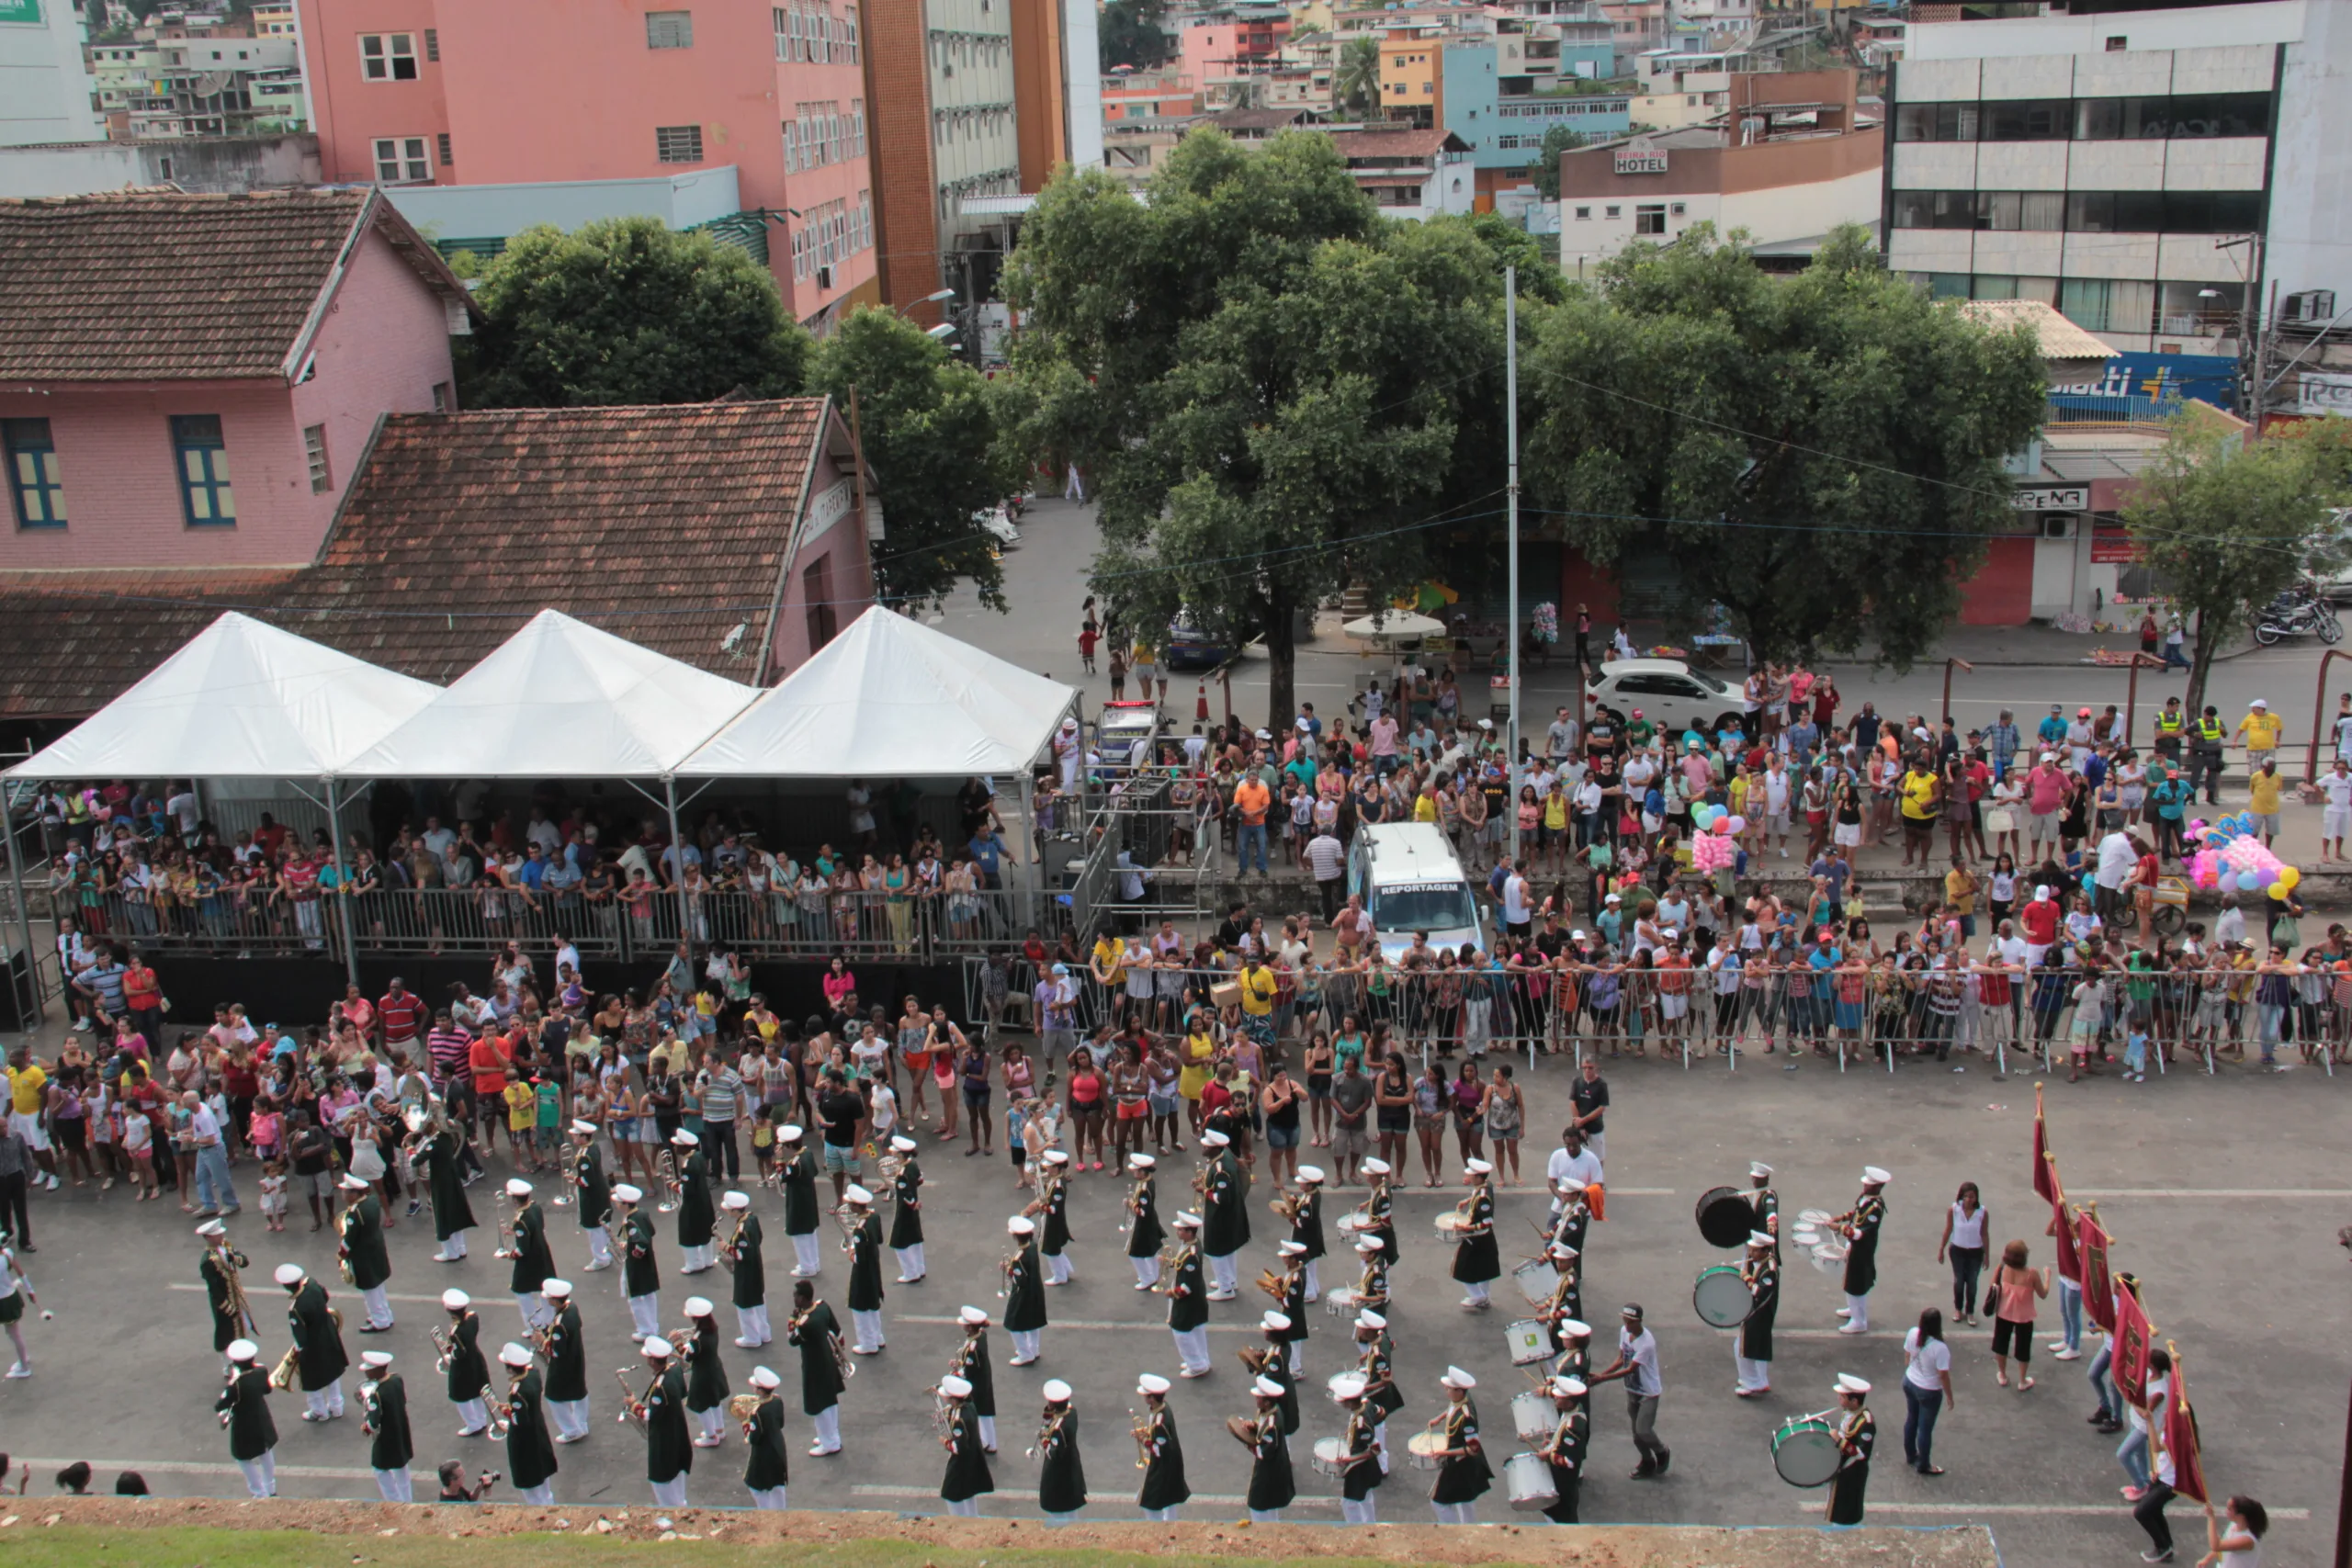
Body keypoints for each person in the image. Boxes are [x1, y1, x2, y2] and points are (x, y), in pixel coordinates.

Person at [1590, 1302, 1668, 1478]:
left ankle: (1662, 1451)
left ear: (1639, 1321)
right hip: (1632, 1389)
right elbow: (1621, 1359)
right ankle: (1647, 1461)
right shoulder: (1624, 1332)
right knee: (1636, 1436)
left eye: (1630, 1322)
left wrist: (1601, 1379)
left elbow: (1629, 1369)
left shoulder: (1646, 1343)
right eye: (1625, 1321)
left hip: (1648, 1392)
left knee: (1644, 1430)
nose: (1627, 1326)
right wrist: (1601, 1374)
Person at [277, 1261, 348, 1422]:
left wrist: (296, 1352)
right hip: (329, 1335)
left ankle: (319, 1411)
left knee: (311, 1381)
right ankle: (337, 1407)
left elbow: (301, 1339)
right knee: (333, 1372)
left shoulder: (295, 1309)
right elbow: (326, 1297)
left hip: (313, 1347)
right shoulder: (313, 1284)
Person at [631, 1334, 693, 1506]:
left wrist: (635, 1406)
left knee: (661, 1481)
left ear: (652, 1360)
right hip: (678, 1430)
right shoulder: (674, 1370)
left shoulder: (660, 1388)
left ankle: (670, 1514)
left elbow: (651, 1415)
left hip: (664, 1437)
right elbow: (682, 1393)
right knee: (678, 1475)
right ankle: (681, 1505)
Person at [786, 1279, 845, 1456]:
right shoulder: (822, 1307)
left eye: (796, 1295)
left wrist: (793, 1319)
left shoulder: (805, 1325)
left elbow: (792, 1339)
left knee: (820, 1406)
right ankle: (830, 1436)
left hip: (815, 1366)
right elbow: (837, 1332)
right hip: (828, 1360)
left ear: (803, 1298)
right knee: (830, 1402)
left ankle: (830, 1443)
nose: (793, 1298)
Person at [497, 1338, 559, 1504]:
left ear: (510, 1368)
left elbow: (519, 1422)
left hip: (525, 1441)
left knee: (530, 1485)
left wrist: (507, 1412)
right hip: (538, 1428)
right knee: (544, 1482)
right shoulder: (533, 1373)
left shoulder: (517, 1392)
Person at [214, 1337, 277, 1497]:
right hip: (262, 1419)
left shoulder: (235, 1384)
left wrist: (233, 1381)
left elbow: (220, 1405)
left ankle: (259, 1492)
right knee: (266, 1453)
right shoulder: (261, 1371)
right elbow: (267, 1389)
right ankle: (270, 1488)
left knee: (242, 1458)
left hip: (244, 1425)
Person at [1986, 1238, 2051, 1390]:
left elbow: (1993, 1286)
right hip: (2024, 1316)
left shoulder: (2002, 1269)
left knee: (2001, 1344)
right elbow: (2043, 1294)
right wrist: (2048, 1277)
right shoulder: (2031, 1274)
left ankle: (2002, 1374)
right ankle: (2022, 1380)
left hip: (2003, 1312)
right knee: (2023, 1348)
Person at [1900, 1309, 1955, 1475]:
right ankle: (1923, 1464)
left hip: (1910, 1381)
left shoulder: (1912, 1333)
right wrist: (1950, 1397)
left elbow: (1907, 1356)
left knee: (1912, 1418)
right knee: (1925, 1428)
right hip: (1929, 1390)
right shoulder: (1940, 1348)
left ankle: (1911, 1455)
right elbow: (1943, 1375)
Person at [538, 1278, 591, 1444]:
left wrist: (542, 1341)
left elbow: (557, 1351)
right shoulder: (572, 1307)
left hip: (564, 1364)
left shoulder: (560, 1324)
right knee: (579, 1391)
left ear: (554, 1299)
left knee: (554, 1396)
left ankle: (571, 1430)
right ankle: (581, 1424)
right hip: (577, 1356)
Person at [1837, 1167, 1888, 1333]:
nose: (1864, 1187)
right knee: (1849, 1280)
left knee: (1856, 1284)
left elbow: (1861, 1233)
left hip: (1862, 1249)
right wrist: (1842, 1217)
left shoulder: (1875, 1208)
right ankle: (1853, 1309)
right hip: (1854, 1246)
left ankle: (1859, 1321)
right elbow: (1857, 1213)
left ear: (1877, 1187)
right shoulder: (1865, 1199)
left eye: (1868, 1185)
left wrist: (1839, 1228)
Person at [358, 1349, 413, 1501]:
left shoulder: (376, 1394)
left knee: (380, 1470)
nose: (366, 1374)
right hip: (401, 1430)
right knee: (402, 1468)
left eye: (368, 1370)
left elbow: (374, 1422)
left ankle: (393, 1501)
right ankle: (407, 1500)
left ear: (376, 1370)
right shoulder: (396, 1379)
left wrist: (366, 1426)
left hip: (386, 1437)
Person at [1238, 1375, 1294, 1522]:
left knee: (1258, 1505)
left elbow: (1264, 1452)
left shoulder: (1271, 1425)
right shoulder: (1270, 1412)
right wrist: (1254, 1426)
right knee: (1270, 1506)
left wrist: (1245, 1441)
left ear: (1267, 1403)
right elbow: (1261, 1427)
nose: (1256, 1400)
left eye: (1259, 1398)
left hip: (1270, 1471)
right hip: (1276, 1468)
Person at [1136, 1372, 1190, 1521]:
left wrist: (1143, 1439)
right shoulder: (1163, 1408)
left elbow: (1157, 1450)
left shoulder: (1160, 1423)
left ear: (1152, 1398)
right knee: (1169, 1497)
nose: (1144, 1398)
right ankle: (1171, 1523)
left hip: (1163, 1465)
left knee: (1150, 1501)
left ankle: (1157, 1527)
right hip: (1171, 1462)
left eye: (1146, 1396)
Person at [1451, 1159, 1501, 1311]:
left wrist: (1466, 1228)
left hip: (1478, 1239)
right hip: (1484, 1240)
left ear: (1479, 1177)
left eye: (1472, 1175)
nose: (1469, 1177)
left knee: (1461, 1268)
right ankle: (1484, 1297)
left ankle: (1478, 1296)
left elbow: (1487, 1223)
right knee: (1483, 1270)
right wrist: (1467, 1201)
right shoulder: (1485, 1186)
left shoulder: (1483, 1198)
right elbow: (1476, 1195)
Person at [1164, 1210, 1211, 1378]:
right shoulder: (1191, 1245)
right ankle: (1201, 1359)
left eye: (1181, 1230)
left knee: (1181, 1331)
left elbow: (1187, 1286)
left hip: (1189, 1299)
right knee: (1197, 1329)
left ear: (1190, 1232)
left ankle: (1197, 1365)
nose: (1178, 1232)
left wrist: (1172, 1293)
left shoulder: (1191, 1255)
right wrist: (1169, 1262)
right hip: (1196, 1297)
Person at [937, 1373, 991, 1516]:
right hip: (973, 1458)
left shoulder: (958, 1421)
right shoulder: (969, 1406)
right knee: (969, 1493)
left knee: (951, 1495)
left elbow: (957, 1447)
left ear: (954, 1399)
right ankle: (973, 1519)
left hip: (961, 1463)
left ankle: (959, 1523)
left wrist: (944, 1441)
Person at [441, 1288, 492, 1436]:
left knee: (460, 1395)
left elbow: (459, 1353)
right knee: (477, 1390)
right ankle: (481, 1420)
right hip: (475, 1358)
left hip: (462, 1366)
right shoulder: (473, 1317)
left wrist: (449, 1355)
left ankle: (473, 1424)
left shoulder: (456, 1331)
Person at [1825, 1374, 1875, 1525]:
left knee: (1846, 1507)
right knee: (1836, 1502)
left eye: (1842, 1397)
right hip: (1841, 1465)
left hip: (1852, 1470)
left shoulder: (1866, 1423)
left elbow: (1861, 1454)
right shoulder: (1848, 1413)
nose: (1839, 1399)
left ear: (1854, 1401)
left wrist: (1839, 1441)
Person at [842, 1184, 887, 1355]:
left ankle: (868, 1343)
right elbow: (880, 1240)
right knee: (873, 1305)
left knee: (860, 1307)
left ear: (856, 1206)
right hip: (874, 1267)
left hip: (863, 1271)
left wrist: (850, 1251)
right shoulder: (874, 1217)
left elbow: (858, 1258)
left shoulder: (860, 1230)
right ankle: (877, 1337)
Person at [1035, 1379, 1087, 1524]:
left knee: (1057, 1509)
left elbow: (1053, 1453)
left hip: (1059, 1472)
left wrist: (1044, 1440)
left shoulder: (1059, 1429)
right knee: (1071, 1509)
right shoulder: (1071, 1412)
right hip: (1071, 1465)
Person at [615, 1183, 662, 1338]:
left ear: (626, 1204)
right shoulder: (642, 1213)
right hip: (648, 1261)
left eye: (619, 1202)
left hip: (636, 1263)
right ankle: (653, 1325)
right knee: (649, 1293)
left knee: (634, 1295)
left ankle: (645, 1329)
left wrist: (631, 1250)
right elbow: (651, 1232)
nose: (616, 1204)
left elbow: (641, 1242)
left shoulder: (631, 1222)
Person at [1939, 1180, 1988, 1325]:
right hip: (1957, 1250)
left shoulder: (1982, 1212)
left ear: (1976, 1198)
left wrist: (1987, 1255)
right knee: (1959, 1281)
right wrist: (1941, 1248)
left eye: (1972, 1197)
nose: (1968, 1200)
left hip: (1975, 1251)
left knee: (1972, 1282)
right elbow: (1948, 1229)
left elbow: (1984, 1234)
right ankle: (1958, 1309)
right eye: (1966, 1196)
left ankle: (1970, 1311)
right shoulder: (1954, 1210)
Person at [741, 1365, 790, 1509]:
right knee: (777, 1483)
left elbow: (754, 1438)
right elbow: (780, 1423)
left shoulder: (757, 1412)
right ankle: (781, 1512)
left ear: (760, 1390)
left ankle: (765, 1512)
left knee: (755, 1485)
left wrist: (748, 1432)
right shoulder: (777, 1400)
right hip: (778, 1445)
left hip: (763, 1452)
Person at [1735, 1230, 1776, 1397]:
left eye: (1755, 1250)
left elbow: (1761, 1292)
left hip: (1759, 1311)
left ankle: (1752, 1382)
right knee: (1758, 1346)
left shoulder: (1769, 1271)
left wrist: (1746, 1278)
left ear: (1765, 1251)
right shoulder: (1765, 1263)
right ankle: (1761, 1380)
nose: (1751, 1253)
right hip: (1761, 1312)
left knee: (1743, 1347)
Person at [1001, 1214, 1046, 1364]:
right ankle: (1034, 1349)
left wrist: (1009, 1270)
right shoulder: (1032, 1246)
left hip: (1023, 1295)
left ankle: (1024, 1353)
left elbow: (1020, 1281)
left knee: (1013, 1324)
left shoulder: (1019, 1258)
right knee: (1032, 1323)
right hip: (1036, 1291)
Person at [0, 1227, 36, 1379]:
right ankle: (24, 1359)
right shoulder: (7, 1255)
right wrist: (30, 1290)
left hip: (3, 1302)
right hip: (12, 1298)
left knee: (14, 1334)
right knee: (13, 1332)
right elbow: (21, 1273)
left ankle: (24, 1367)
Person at [2196, 1495, 2268, 1568]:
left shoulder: (2247, 1540)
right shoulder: (2233, 1525)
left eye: (2229, 1509)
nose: (2226, 1511)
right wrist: (2206, 1559)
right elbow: (2223, 1546)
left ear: (2240, 1516)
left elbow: (2216, 1546)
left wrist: (2211, 1517)